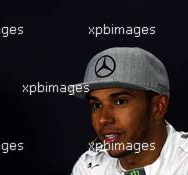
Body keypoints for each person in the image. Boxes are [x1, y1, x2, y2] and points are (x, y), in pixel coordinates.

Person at [71, 47, 188, 175]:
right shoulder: (89, 166)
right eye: (97, 105)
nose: (103, 119)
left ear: (158, 107)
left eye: (120, 102)